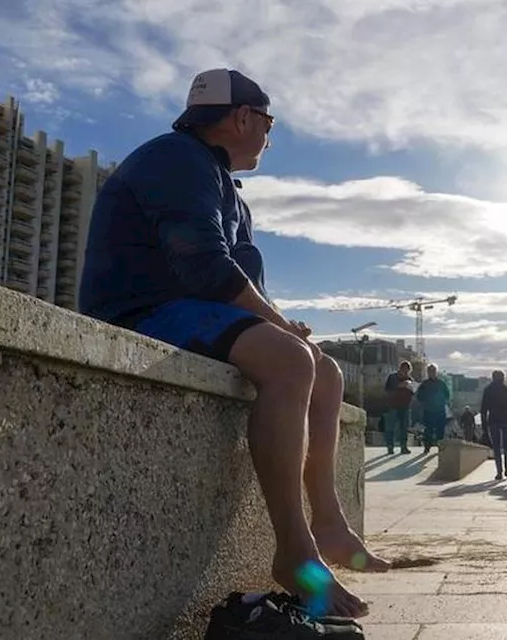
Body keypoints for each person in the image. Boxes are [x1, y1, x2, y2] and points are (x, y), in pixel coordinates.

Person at [77, 68, 385, 619]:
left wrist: (284, 326)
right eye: (268, 123)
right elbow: (204, 266)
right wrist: (282, 331)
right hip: (141, 312)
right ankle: (294, 550)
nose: (269, 136)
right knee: (292, 360)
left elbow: (239, 286)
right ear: (243, 117)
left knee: (327, 371)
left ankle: (331, 524)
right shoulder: (175, 158)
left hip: (191, 313)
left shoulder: (225, 187)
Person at [480, 370, 507, 480]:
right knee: (506, 446)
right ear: (503, 378)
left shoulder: (488, 390)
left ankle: (499, 472)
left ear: (493, 378)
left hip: (493, 420)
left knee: (496, 447)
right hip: (505, 419)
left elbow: (483, 409)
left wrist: (484, 424)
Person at [416, 364, 450, 453]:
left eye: (433, 371)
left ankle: (440, 447)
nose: (431, 373)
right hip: (428, 410)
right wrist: (425, 401)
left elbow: (447, 395)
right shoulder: (424, 384)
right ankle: (427, 446)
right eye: (430, 371)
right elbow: (419, 396)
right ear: (428, 373)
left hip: (440, 410)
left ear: (436, 372)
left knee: (440, 430)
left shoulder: (441, 383)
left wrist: (442, 401)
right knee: (428, 430)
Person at [383, 361, 414, 455]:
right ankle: (390, 447)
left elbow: (413, 392)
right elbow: (387, 389)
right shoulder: (392, 377)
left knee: (404, 428)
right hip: (393, 406)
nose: (405, 372)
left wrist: (413, 389)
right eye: (403, 370)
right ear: (400, 369)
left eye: (407, 370)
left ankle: (403, 447)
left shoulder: (410, 379)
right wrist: (399, 386)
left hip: (405, 406)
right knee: (390, 427)